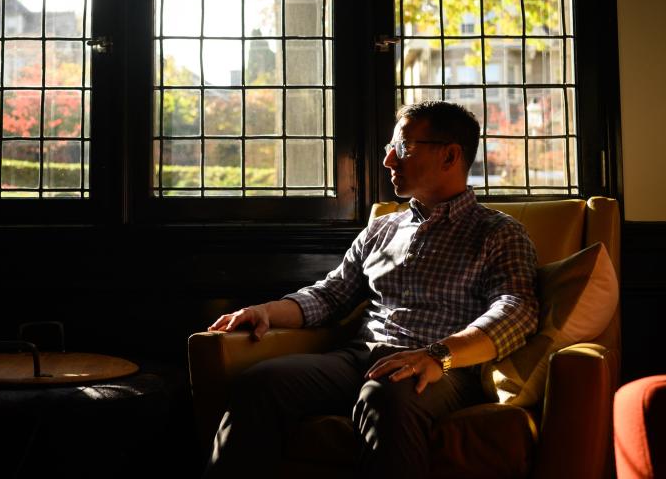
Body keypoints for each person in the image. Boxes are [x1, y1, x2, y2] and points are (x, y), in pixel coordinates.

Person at [203, 101, 539, 479]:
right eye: (388, 149)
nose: (388, 161)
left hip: (442, 371)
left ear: (450, 155)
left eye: (403, 148)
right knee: (261, 383)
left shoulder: (498, 232)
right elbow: (332, 295)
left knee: (384, 394)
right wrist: (268, 311)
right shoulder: (382, 228)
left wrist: (438, 354)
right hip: (359, 357)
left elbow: (517, 309)